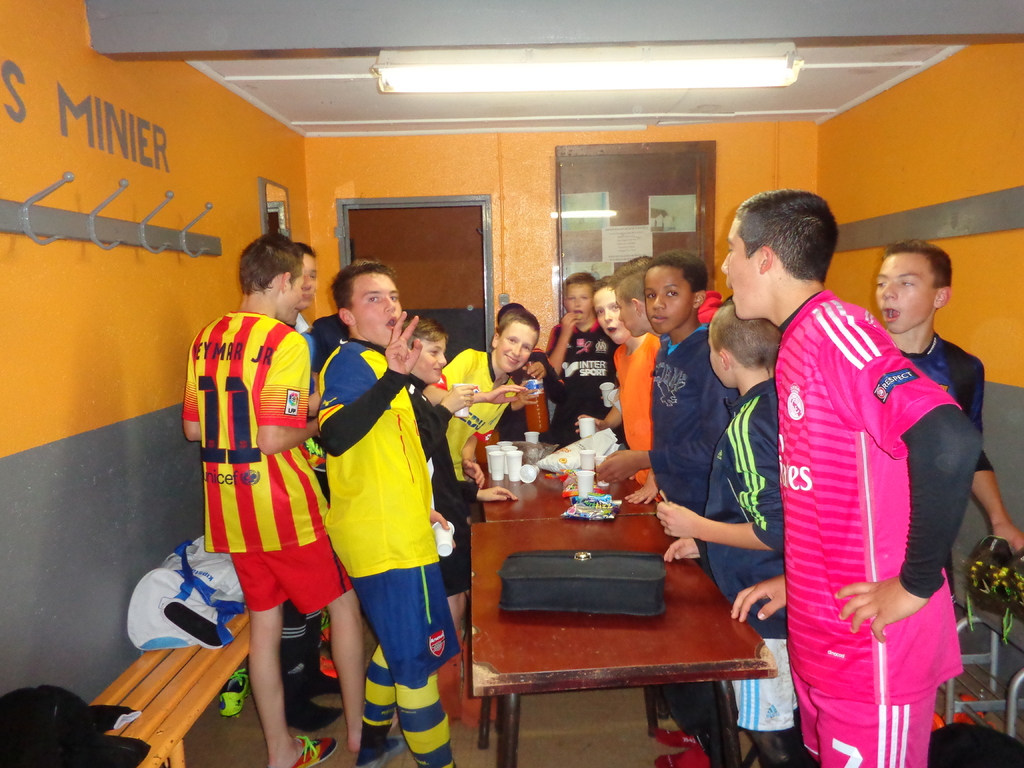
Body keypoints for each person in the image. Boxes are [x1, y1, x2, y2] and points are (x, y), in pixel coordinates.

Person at [722, 189, 981, 768]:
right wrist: (799, 581)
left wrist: (915, 585)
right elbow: (833, 495)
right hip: (824, 635)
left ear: (765, 259)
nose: (725, 266)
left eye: (732, 250)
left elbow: (949, 441)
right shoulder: (798, 342)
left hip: (873, 653)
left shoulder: (837, 332)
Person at [183, 234, 360, 768]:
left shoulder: (206, 336)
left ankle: (280, 748)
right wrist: (320, 420)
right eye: (300, 283)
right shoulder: (285, 342)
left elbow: (195, 428)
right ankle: (361, 734)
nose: (302, 294)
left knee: (264, 627)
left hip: (228, 508)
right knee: (343, 606)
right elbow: (274, 437)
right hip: (285, 506)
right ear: (282, 280)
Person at [656, 301, 813, 768]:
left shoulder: (747, 426)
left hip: (765, 606)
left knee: (774, 737)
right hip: (784, 591)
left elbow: (776, 530)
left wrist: (695, 525)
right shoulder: (786, 406)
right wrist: (706, 543)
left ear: (723, 358)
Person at [318, 260, 458, 768]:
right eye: (373, 298)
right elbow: (335, 436)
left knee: (397, 647)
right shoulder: (350, 362)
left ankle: (372, 749)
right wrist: (394, 377)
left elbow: (396, 452)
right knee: (416, 669)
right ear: (347, 315)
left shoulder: (383, 364)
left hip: (404, 530)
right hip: (384, 541)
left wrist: (424, 508)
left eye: (393, 296)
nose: (390, 306)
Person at [876, 240, 1024, 551]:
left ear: (940, 296)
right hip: (862, 525)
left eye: (906, 282)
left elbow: (970, 451)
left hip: (928, 530)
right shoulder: (857, 359)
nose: (888, 292)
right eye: (882, 283)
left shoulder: (963, 369)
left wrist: (999, 519)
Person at [596, 251, 734, 516]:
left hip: (707, 503)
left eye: (671, 293)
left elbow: (718, 445)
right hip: (673, 494)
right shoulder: (665, 348)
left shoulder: (710, 354)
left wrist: (646, 459)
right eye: (651, 295)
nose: (657, 304)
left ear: (697, 299)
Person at [406, 317, 519, 632]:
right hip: (433, 511)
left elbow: (449, 458)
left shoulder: (419, 394)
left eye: (443, 352)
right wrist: (448, 408)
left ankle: (456, 652)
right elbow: (418, 452)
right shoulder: (411, 395)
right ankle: (449, 656)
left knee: (461, 587)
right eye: (434, 352)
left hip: (451, 495)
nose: (443, 360)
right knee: (451, 595)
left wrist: (473, 491)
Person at [426, 310, 537, 483]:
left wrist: (467, 460)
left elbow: (475, 432)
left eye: (526, 347)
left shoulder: (508, 390)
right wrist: (484, 397)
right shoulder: (470, 360)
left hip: (454, 474)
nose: (517, 351)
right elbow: (429, 394)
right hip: (428, 463)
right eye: (512, 340)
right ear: (496, 339)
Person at [542, 271, 618, 446]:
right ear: (564, 302)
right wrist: (565, 335)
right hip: (567, 417)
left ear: (594, 301)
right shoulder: (559, 331)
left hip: (605, 416)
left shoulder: (608, 328)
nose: (577, 303)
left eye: (584, 298)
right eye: (571, 298)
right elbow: (552, 374)